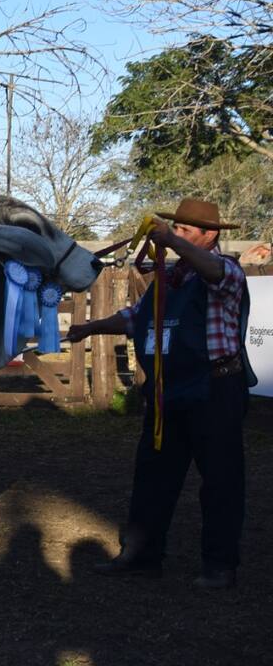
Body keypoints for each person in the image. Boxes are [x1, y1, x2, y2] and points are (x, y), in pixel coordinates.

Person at [67, 199, 253, 589]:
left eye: (186, 231)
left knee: (220, 480)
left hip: (215, 390)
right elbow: (135, 317)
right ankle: (142, 556)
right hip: (169, 392)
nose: (177, 236)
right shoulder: (170, 279)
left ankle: (220, 565)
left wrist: (170, 239)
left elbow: (215, 272)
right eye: (176, 229)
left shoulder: (225, 271)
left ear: (210, 235)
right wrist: (89, 328)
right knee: (152, 476)